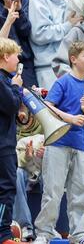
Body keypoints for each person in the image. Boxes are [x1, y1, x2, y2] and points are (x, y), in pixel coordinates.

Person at [32, 41, 84, 244]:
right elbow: (48, 106)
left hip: (81, 145)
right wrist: (69, 118)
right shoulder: (62, 82)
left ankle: (79, 235)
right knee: (52, 191)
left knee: (80, 192)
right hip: (58, 143)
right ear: (73, 59)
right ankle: (44, 233)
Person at [29, 0, 80, 90]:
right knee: (53, 110)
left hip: (72, 67)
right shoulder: (37, 0)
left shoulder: (72, 0)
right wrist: (68, 25)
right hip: (47, 70)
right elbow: (39, 34)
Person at [0, 38, 22, 244]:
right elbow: (11, 104)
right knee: (6, 188)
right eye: (15, 55)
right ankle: (4, 235)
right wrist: (16, 88)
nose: (18, 59)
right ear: (5, 56)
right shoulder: (3, 80)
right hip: (3, 146)